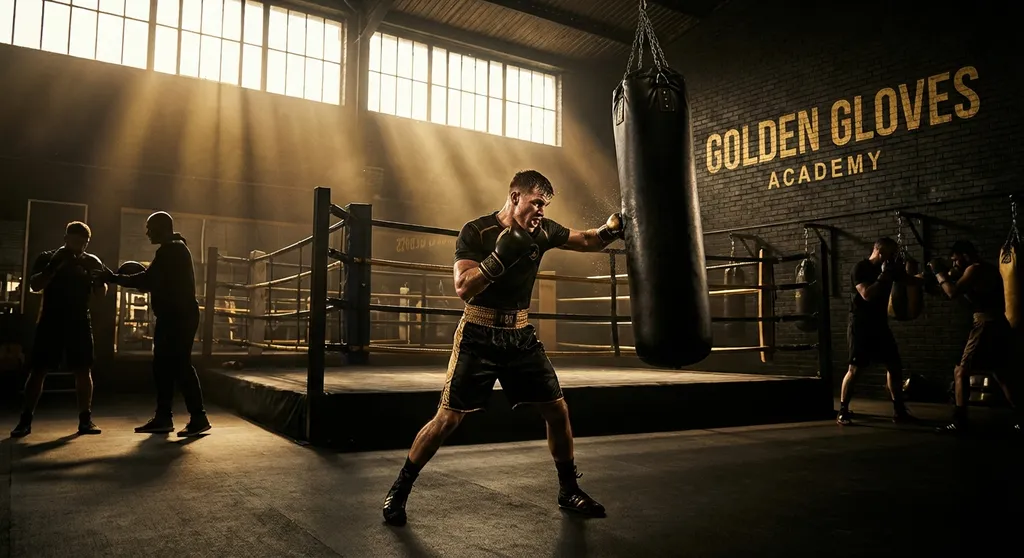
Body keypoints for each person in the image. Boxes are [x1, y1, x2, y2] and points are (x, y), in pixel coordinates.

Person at [381, 170, 623, 526]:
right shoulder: (477, 231)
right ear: (514, 198)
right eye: (535, 202)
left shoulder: (543, 231)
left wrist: (612, 229)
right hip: (478, 332)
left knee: (558, 412)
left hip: (520, 335)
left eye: (545, 205)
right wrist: (499, 257)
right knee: (448, 418)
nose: (541, 210)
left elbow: (587, 240)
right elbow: (463, 288)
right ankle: (399, 490)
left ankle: (568, 490)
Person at [95, 211, 211, 437]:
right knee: (165, 366)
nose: (147, 232)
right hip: (176, 316)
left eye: (150, 227)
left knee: (178, 365)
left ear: (162, 227)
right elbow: (153, 280)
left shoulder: (171, 250)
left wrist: (113, 278)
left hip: (177, 317)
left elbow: (147, 280)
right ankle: (166, 417)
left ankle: (197, 417)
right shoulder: (174, 249)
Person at [10, 222, 106, 438]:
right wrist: (54, 267)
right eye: (75, 241)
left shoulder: (90, 261)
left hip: (79, 321)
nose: (79, 247)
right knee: (39, 370)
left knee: (83, 370)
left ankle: (85, 420)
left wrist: (98, 279)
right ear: (65, 239)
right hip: (51, 320)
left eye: (83, 243)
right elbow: (35, 285)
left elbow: (101, 294)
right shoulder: (48, 257)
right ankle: (25, 420)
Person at [929, 240, 1021, 433]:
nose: (954, 264)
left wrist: (938, 271)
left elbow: (952, 292)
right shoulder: (984, 269)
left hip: (985, 325)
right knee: (1001, 374)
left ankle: (960, 422)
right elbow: (951, 286)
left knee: (961, 371)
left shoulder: (975, 269)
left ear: (965, 255)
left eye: (956, 260)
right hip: (999, 325)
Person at [837, 238, 924, 425]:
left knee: (894, 365)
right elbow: (867, 295)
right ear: (879, 251)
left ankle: (899, 411)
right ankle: (843, 411)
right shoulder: (860, 268)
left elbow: (911, 281)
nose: (893, 257)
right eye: (891, 253)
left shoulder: (890, 269)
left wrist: (935, 277)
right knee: (855, 369)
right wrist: (883, 276)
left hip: (879, 324)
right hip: (860, 324)